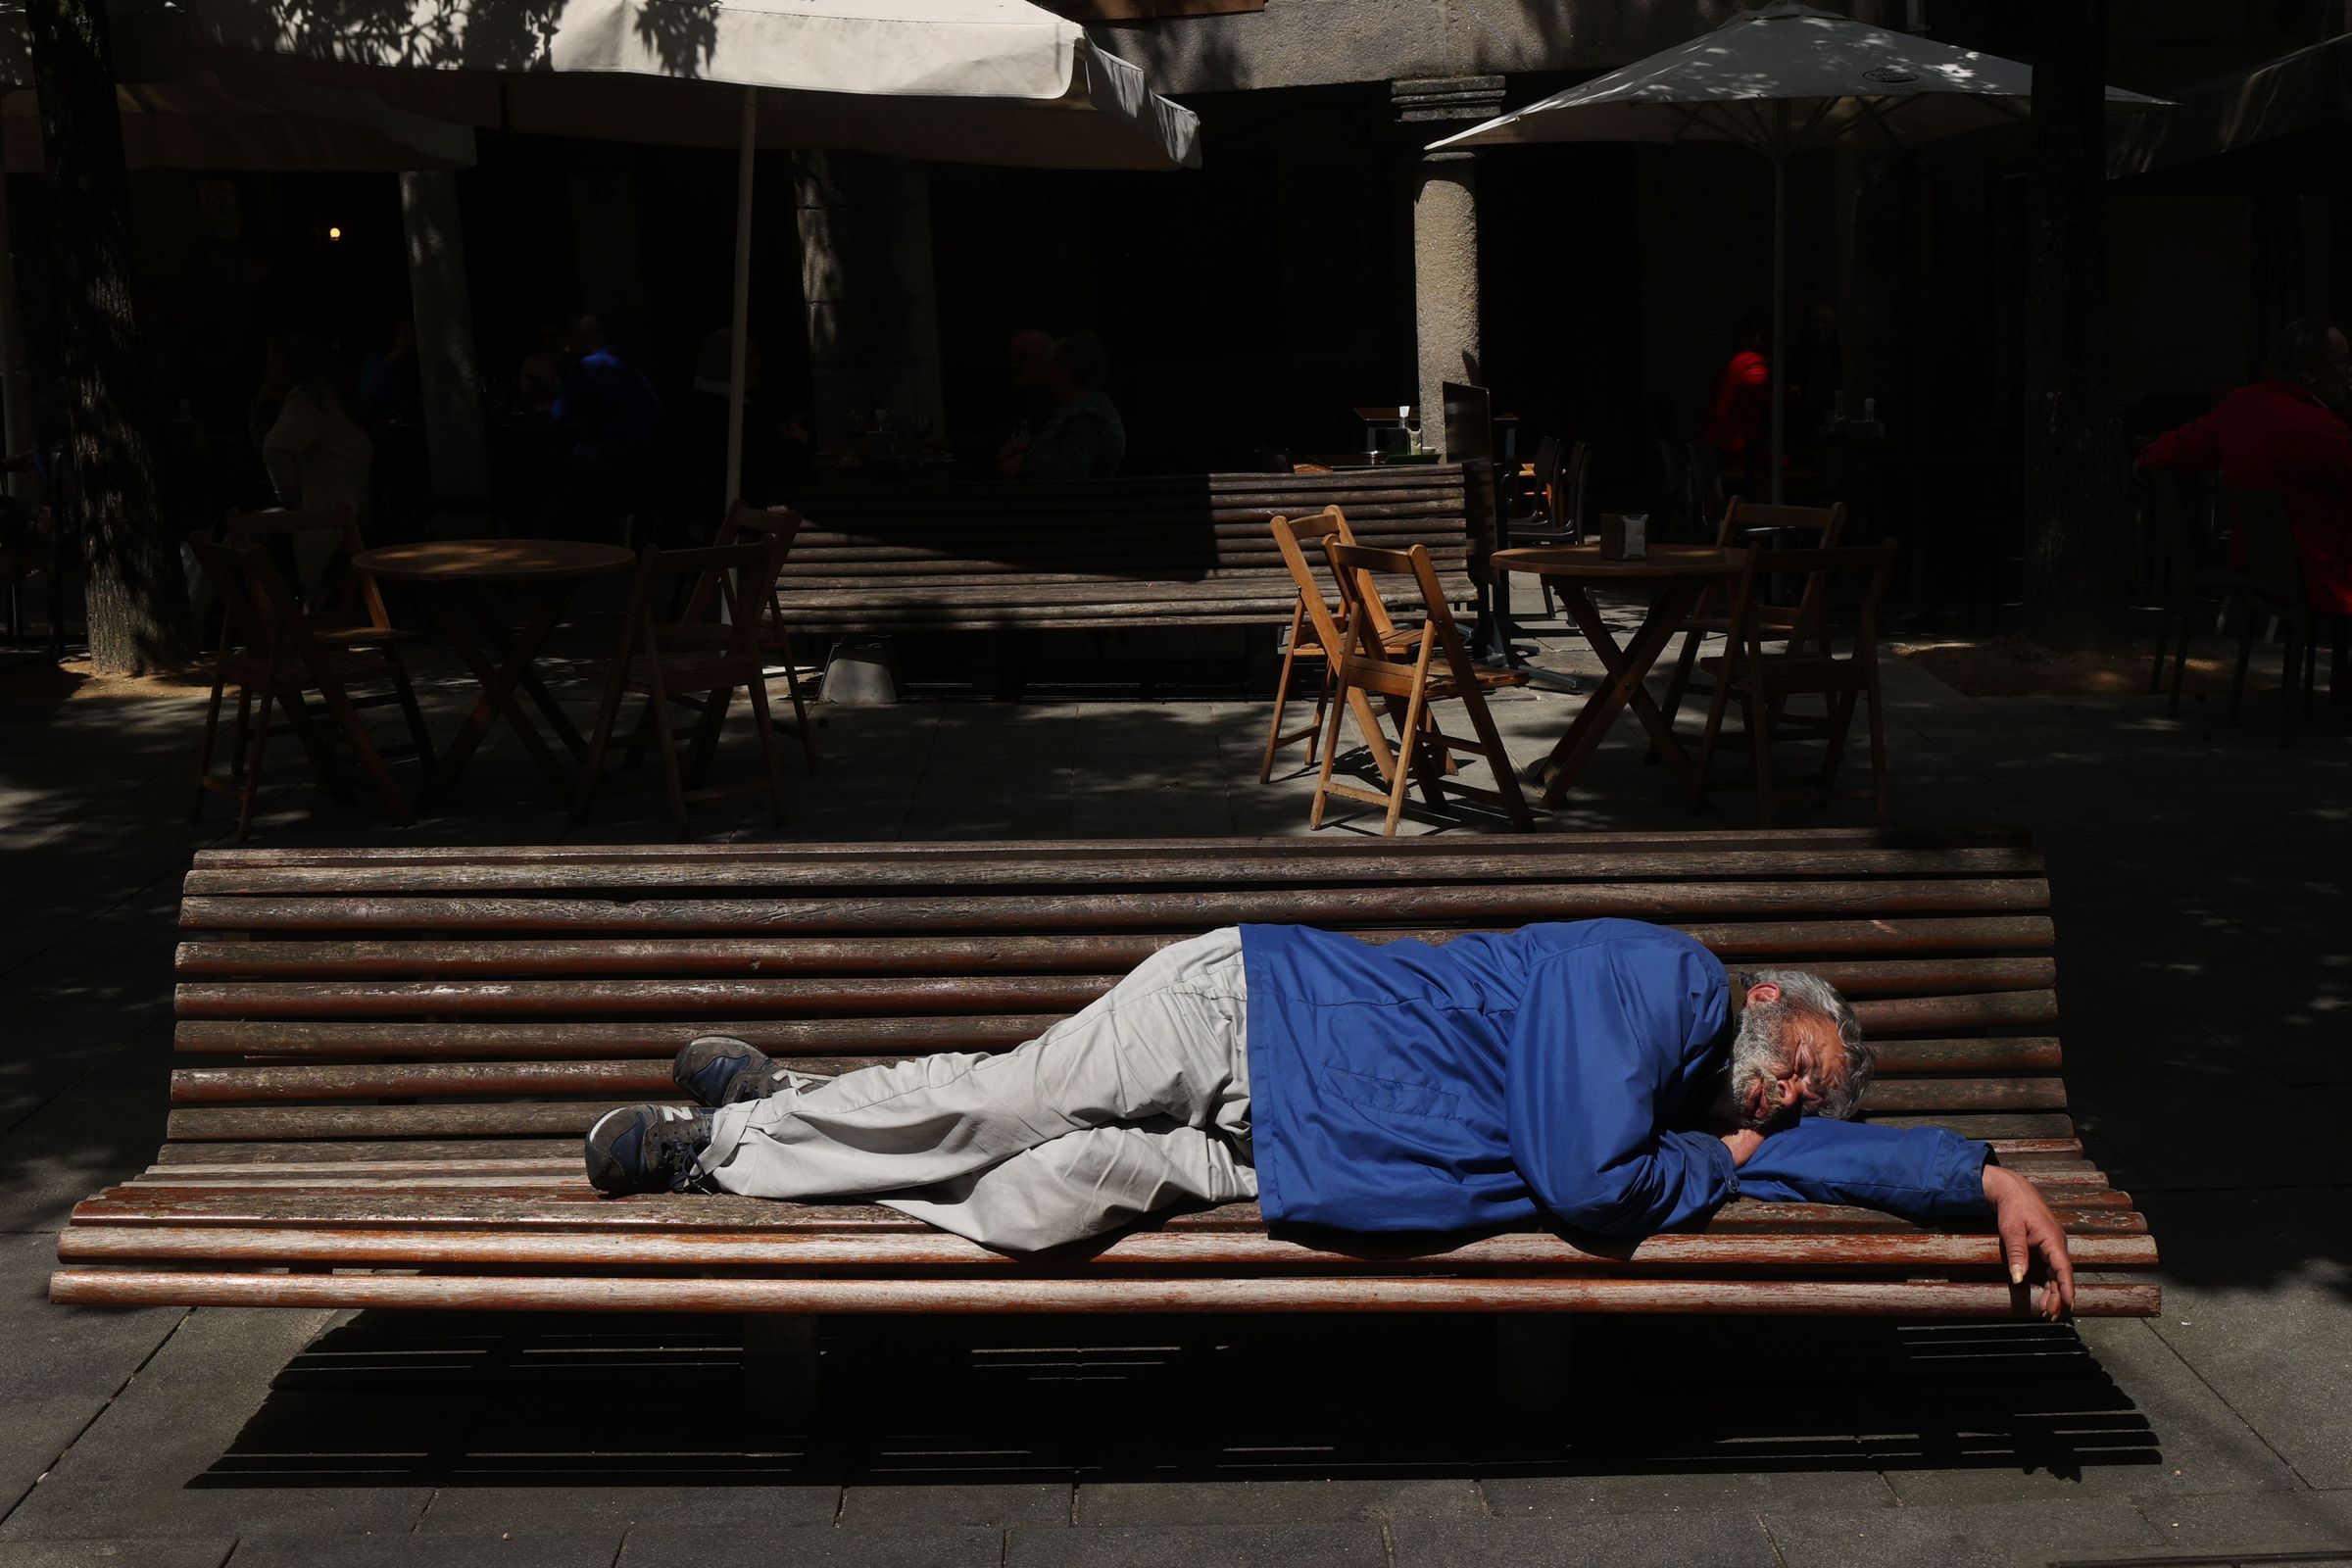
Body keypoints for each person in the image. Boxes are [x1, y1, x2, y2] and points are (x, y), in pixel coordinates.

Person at [582, 918, 2076, 1317]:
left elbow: (1789, 1161)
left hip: (1280, 1154)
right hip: (1252, 1011)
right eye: (1807, 1061)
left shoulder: (1698, 1104)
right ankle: (718, 1143)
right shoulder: (1664, 982)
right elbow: (1584, 1177)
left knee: (1039, 1200)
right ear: (1761, 1002)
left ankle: (789, 1117)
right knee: (997, 1101)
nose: (1801, 1095)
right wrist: (1711, 1156)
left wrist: (1981, 1176)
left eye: (1812, 1090)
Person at [2138, 316, 2352, 616]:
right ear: (2311, 371)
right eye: (2342, 362)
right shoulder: (2319, 428)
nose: (2347, 374)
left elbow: (2181, 445)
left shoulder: (2241, 404)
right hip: (2321, 576)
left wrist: (2142, 460)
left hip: (2256, 569)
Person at [259, 336, 373, 602]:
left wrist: (288, 495)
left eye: (274, 365)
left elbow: (273, 448)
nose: (268, 372)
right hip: (343, 516)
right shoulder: (327, 398)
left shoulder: (311, 401)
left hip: (333, 524)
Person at [552, 314, 662, 539]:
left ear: (581, 338)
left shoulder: (589, 366)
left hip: (617, 458)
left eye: (570, 337)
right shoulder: (627, 365)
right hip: (652, 458)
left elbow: (558, 414)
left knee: (556, 467)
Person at [999, 332, 1126, 479]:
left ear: (1065, 373)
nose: (1048, 373)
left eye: (1052, 365)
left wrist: (1023, 464)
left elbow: (1072, 465)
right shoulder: (1074, 409)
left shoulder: (1088, 415)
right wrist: (1030, 448)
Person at [1701, 318, 1772, 475]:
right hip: (1740, 448)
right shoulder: (1751, 362)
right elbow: (1770, 400)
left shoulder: (1735, 361)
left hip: (1724, 445)